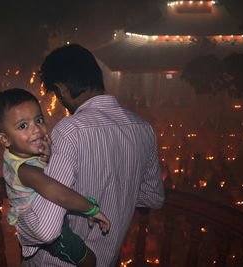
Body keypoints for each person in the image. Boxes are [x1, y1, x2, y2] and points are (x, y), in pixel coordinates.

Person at [16, 44, 165, 266]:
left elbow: (45, 230)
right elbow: (154, 197)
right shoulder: (143, 128)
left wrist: (20, 220)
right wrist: (115, 193)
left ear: (61, 89)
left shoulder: (70, 131)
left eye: (57, 93)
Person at [0, 88, 111, 266]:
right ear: (5, 139)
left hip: (34, 212)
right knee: (89, 259)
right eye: (23, 126)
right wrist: (91, 209)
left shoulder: (15, 154)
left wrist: (44, 157)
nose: (36, 129)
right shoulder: (26, 171)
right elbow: (61, 195)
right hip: (47, 229)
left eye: (39, 120)